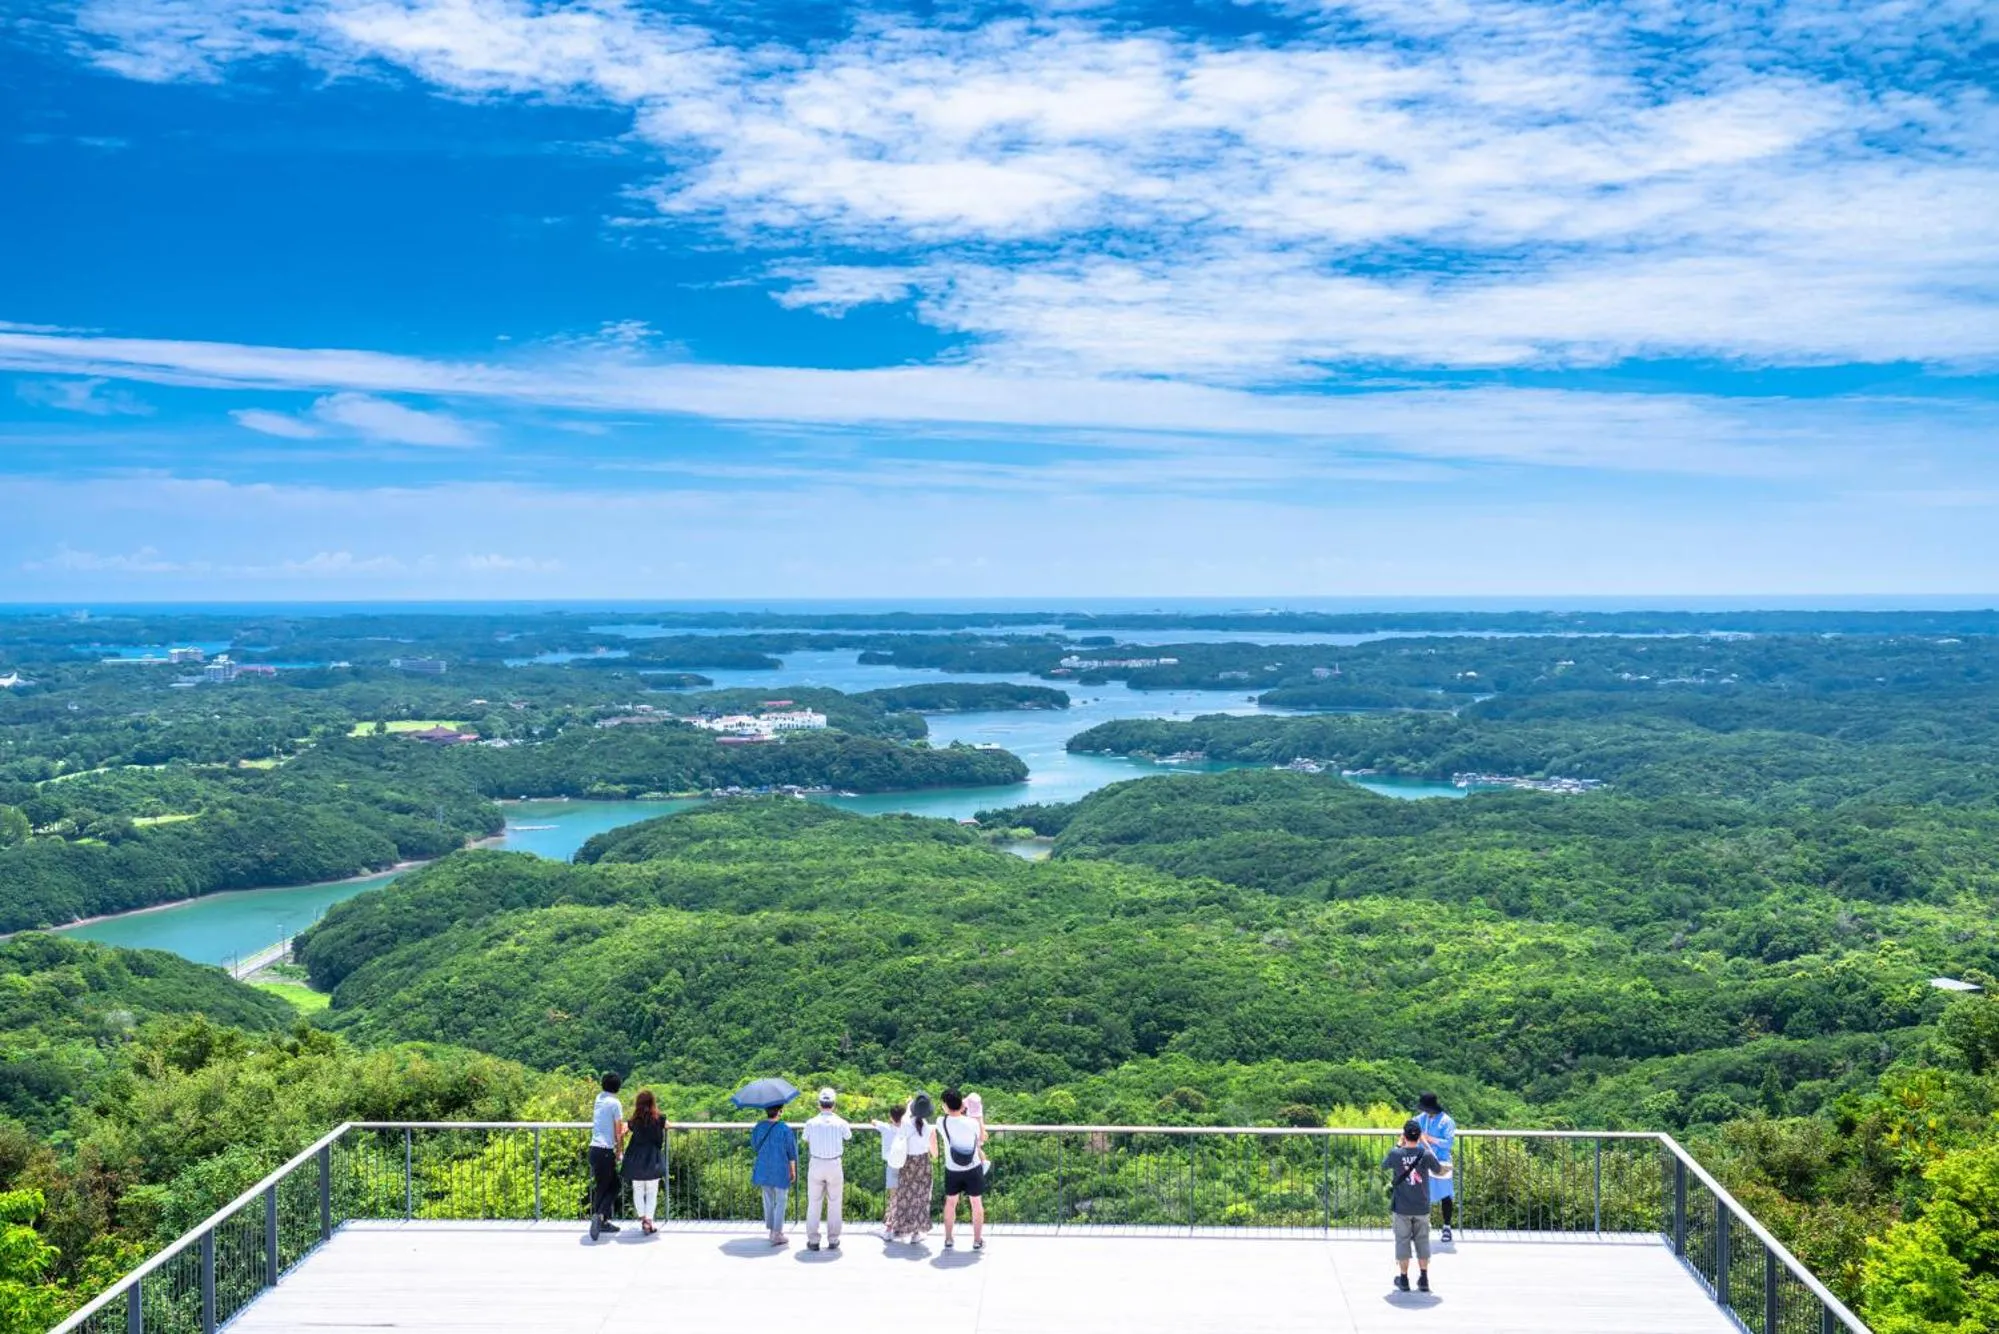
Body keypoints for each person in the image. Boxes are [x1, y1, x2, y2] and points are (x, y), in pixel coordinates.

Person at [1383, 1119, 1451, 1293]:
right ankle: (1424, 1278)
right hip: (1421, 1206)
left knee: (1402, 1241)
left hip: (1402, 1207)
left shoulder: (1396, 1154)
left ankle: (1404, 1279)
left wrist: (1399, 1144)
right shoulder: (1425, 1155)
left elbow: (1384, 1165)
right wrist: (1425, 1144)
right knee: (1422, 1242)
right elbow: (1438, 1168)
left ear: (1404, 1136)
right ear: (1418, 1135)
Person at [800, 1087, 853, 1251]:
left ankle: (814, 1240)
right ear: (834, 1104)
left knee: (814, 1203)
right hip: (834, 1164)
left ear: (819, 1104)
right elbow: (848, 1136)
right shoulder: (840, 1122)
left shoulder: (811, 1122)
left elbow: (805, 1139)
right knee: (835, 1202)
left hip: (816, 1163)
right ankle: (833, 1239)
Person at [938, 1088, 988, 1251]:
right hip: (972, 1168)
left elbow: (950, 1113)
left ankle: (948, 1238)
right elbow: (983, 1138)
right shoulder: (972, 1123)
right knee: (976, 1203)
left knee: (951, 1203)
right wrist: (978, 1115)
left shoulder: (941, 1122)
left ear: (945, 1105)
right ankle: (977, 1240)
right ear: (961, 1103)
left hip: (952, 1168)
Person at [884, 1092, 937, 1243]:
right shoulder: (929, 1128)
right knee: (920, 1197)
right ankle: (916, 1233)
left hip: (907, 1163)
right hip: (923, 1164)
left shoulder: (905, 1123)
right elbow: (934, 1154)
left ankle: (895, 1227)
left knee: (903, 1196)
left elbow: (905, 1123)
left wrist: (908, 1105)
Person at [750, 1102, 798, 1246]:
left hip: (764, 1167)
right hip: (780, 1168)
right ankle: (777, 1233)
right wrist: (792, 1170)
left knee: (768, 1200)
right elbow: (791, 1153)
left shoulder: (759, 1127)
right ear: (780, 1112)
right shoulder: (785, 1129)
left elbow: (754, 1145)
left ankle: (772, 1230)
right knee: (781, 1200)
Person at [587, 1072, 625, 1243]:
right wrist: (619, 1151)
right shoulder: (615, 1103)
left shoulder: (599, 1099)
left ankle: (602, 1220)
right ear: (618, 1087)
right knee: (615, 1185)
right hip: (605, 1150)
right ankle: (600, 1216)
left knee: (603, 1187)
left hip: (594, 1149)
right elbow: (619, 1131)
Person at [621, 1089, 665, 1235]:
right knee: (652, 1192)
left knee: (638, 1190)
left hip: (636, 1161)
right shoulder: (659, 1118)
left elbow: (626, 1127)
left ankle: (643, 1219)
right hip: (653, 1160)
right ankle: (649, 1221)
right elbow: (666, 1124)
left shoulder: (634, 1121)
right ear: (652, 1102)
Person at [1415, 1092, 1458, 1243]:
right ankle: (1423, 1226)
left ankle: (1447, 1227)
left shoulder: (1446, 1121)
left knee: (1446, 1195)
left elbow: (1448, 1142)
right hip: (1424, 1160)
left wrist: (1430, 1139)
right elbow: (1413, 1127)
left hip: (1441, 1161)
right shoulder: (1422, 1118)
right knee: (1422, 1194)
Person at [870, 1102, 910, 1234]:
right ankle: (902, 1224)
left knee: (893, 1196)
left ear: (890, 1117)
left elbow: (874, 1121)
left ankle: (890, 1224)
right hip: (905, 1164)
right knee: (904, 1195)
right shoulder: (907, 1129)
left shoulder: (886, 1127)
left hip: (892, 1165)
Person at [963, 1092, 993, 1181]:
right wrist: (983, 1132)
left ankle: (983, 1162)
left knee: (976, 1149)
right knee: (977, 1149)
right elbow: (981, 1124)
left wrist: (982, 1133)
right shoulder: (978, 1113)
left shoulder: (973, 1116)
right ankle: (981, 1163)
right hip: (977, 1134)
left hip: (974, 1135)